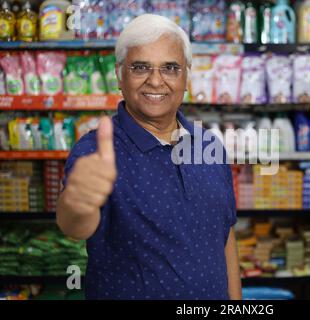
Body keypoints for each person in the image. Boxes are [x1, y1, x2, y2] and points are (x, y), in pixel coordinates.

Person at [56, 14, 241, 300]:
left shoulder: (209, 145)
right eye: (140, 67)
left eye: (170, 68)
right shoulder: (94, 151)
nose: (156, 81)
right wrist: (77, 204)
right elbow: (74, 226)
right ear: (120, 75)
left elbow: (225, 236)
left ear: (187, 77)